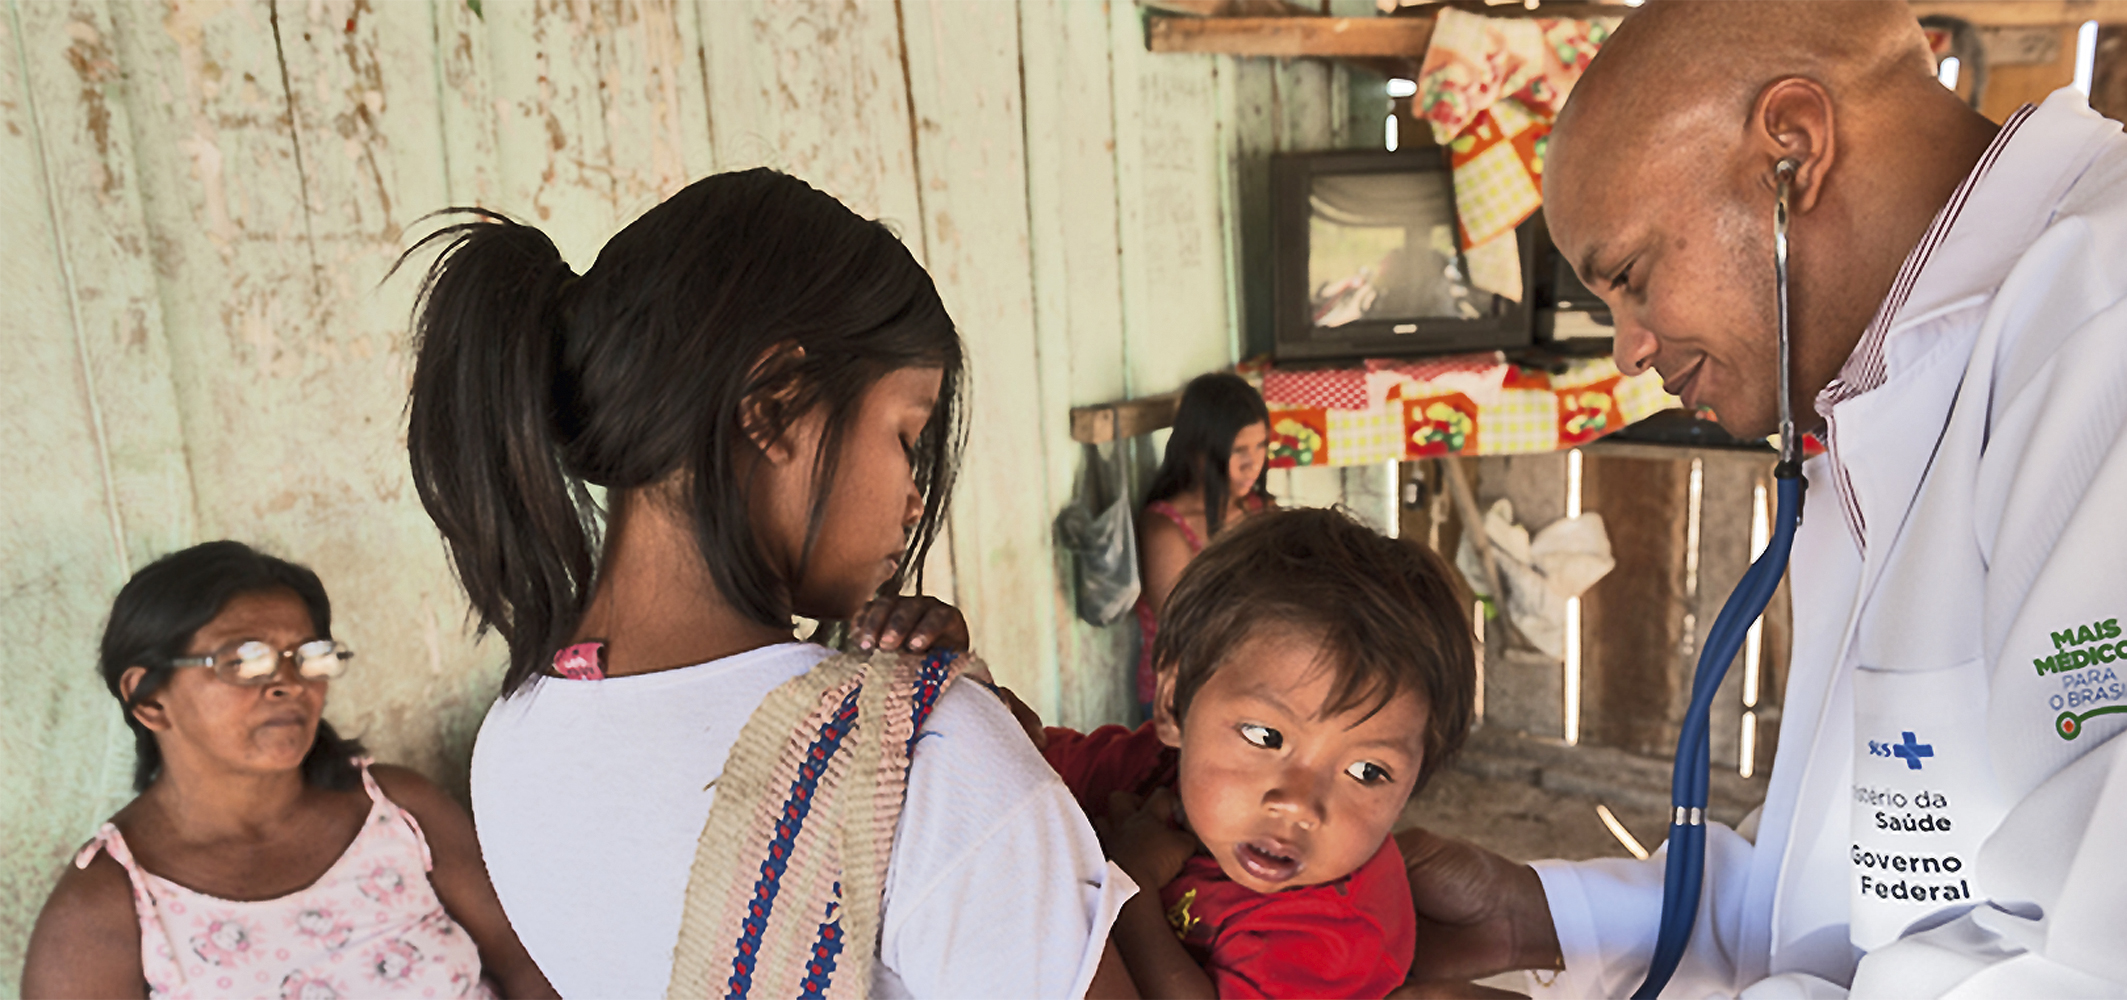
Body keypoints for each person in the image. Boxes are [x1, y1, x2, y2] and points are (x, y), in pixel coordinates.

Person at [1395, 2, 2127, 997]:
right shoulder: (1882, 394)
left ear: (1791, 150)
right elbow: (1840, 869)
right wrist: (1539, 914)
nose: (1630, 348)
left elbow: (2104, 960)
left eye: (1630, 277)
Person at [401, 169, 1134, 998]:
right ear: (775, 406)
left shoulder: (516, 737)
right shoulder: (919, 758)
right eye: (905, 434)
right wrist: (1009, 788)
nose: (915, 498)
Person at [20, 541, 552, 999]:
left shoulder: (399, 811)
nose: (289, 683)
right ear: (148, 698)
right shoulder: (106, 904)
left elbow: (532, 967)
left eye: (309, 656)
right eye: (244, 661)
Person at [1016, 508, 1475, 998]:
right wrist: (982, 705)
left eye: (1366, 771)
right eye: (1264, 736)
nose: (1299, 803)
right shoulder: (1154, 769)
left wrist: (1130, 884)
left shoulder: (1338, 932)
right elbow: (1028, 765)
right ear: (1173, 704)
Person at [1135, 373, 1274, 703]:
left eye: (1261, 445)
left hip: (1252, 686)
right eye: (1238, 450)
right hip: (1181, 696)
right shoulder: (1165, 529)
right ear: (1198, 451)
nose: (1252, 464)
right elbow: (1184, 632)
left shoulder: (1262, 513)